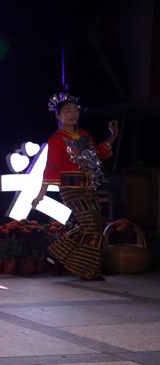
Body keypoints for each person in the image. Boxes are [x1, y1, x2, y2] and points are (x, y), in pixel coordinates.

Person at [31, 92, 118, 281]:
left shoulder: (84, 135)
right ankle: (85, 269)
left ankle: (60, 254)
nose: (73, 114)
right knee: (90, 225)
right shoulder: (56, 139)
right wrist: (41, 194)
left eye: (75, 110)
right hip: (71, 188)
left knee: (96, 225)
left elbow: (98, 153)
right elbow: (51, 167)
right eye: (67, 111)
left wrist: (113, 135)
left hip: (89, 188)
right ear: (58, 116)